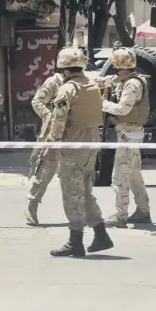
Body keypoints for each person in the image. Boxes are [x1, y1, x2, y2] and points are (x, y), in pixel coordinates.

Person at [44, 46, 113, 257]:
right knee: (86, 193)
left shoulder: (67, 89)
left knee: (72, 195)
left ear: (64, 69)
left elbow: (59, 121)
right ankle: (101, 235)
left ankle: (75, 242)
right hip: (91, 147)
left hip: (72, 148)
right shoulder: (92, 85)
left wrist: (51, 147)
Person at [95, 47, 152, 227]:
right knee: (134, 176)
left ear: (118, 65)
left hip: (129, 134)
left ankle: (120, 216)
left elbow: (123, 109)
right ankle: (143, 212)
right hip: (129, 132)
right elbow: (106, 80)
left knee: (119, 176)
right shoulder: (125, 79)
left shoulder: (132, 84)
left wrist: (104, 104)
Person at [25, 65, 66, 225]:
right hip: (54, 132)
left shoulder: (80, 82)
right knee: (45, 170)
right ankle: (32, 206)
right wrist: (50, 116)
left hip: (74, 133)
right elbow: (37, 101)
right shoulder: (54, 82)